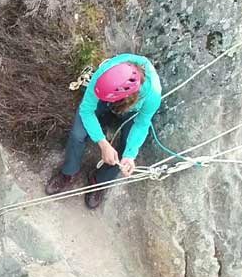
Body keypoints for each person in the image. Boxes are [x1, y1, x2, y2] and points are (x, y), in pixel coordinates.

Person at [46, 53, 163, 210]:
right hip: (105, 95)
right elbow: (86, 109)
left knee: (124, 150)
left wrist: (130, 154)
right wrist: (103, 143)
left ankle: (98, 181)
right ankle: (68, 171)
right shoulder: (104, 73)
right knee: (77, 134)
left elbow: (141, 125)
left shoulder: (152, 94)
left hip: (131, 111)